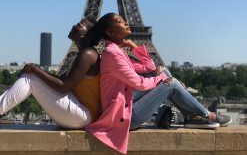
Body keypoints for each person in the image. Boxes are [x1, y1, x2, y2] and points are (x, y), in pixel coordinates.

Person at [85, 13, 232, 154]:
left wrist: (133, 46)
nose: (126, 22)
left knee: (164, 72)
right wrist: (162, 80)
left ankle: (192, 116)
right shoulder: (112, 54)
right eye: (120, 22)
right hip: (123, 117)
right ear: (110, 32)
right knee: (172, 84)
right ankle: (207, 115)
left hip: (125, 104)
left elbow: (150, 68)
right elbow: (139, 83)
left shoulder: (116, 51)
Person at [0, 18, 101, 131]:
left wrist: (35, 70)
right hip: (79, 111)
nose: (74, 26)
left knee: (30, 79)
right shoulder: (86, 53)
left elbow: (64, 87)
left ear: (86, 34)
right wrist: (38, 69)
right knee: (32, 76)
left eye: (79, 25)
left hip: (82, 115)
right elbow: (62, 81)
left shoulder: (88, 54)